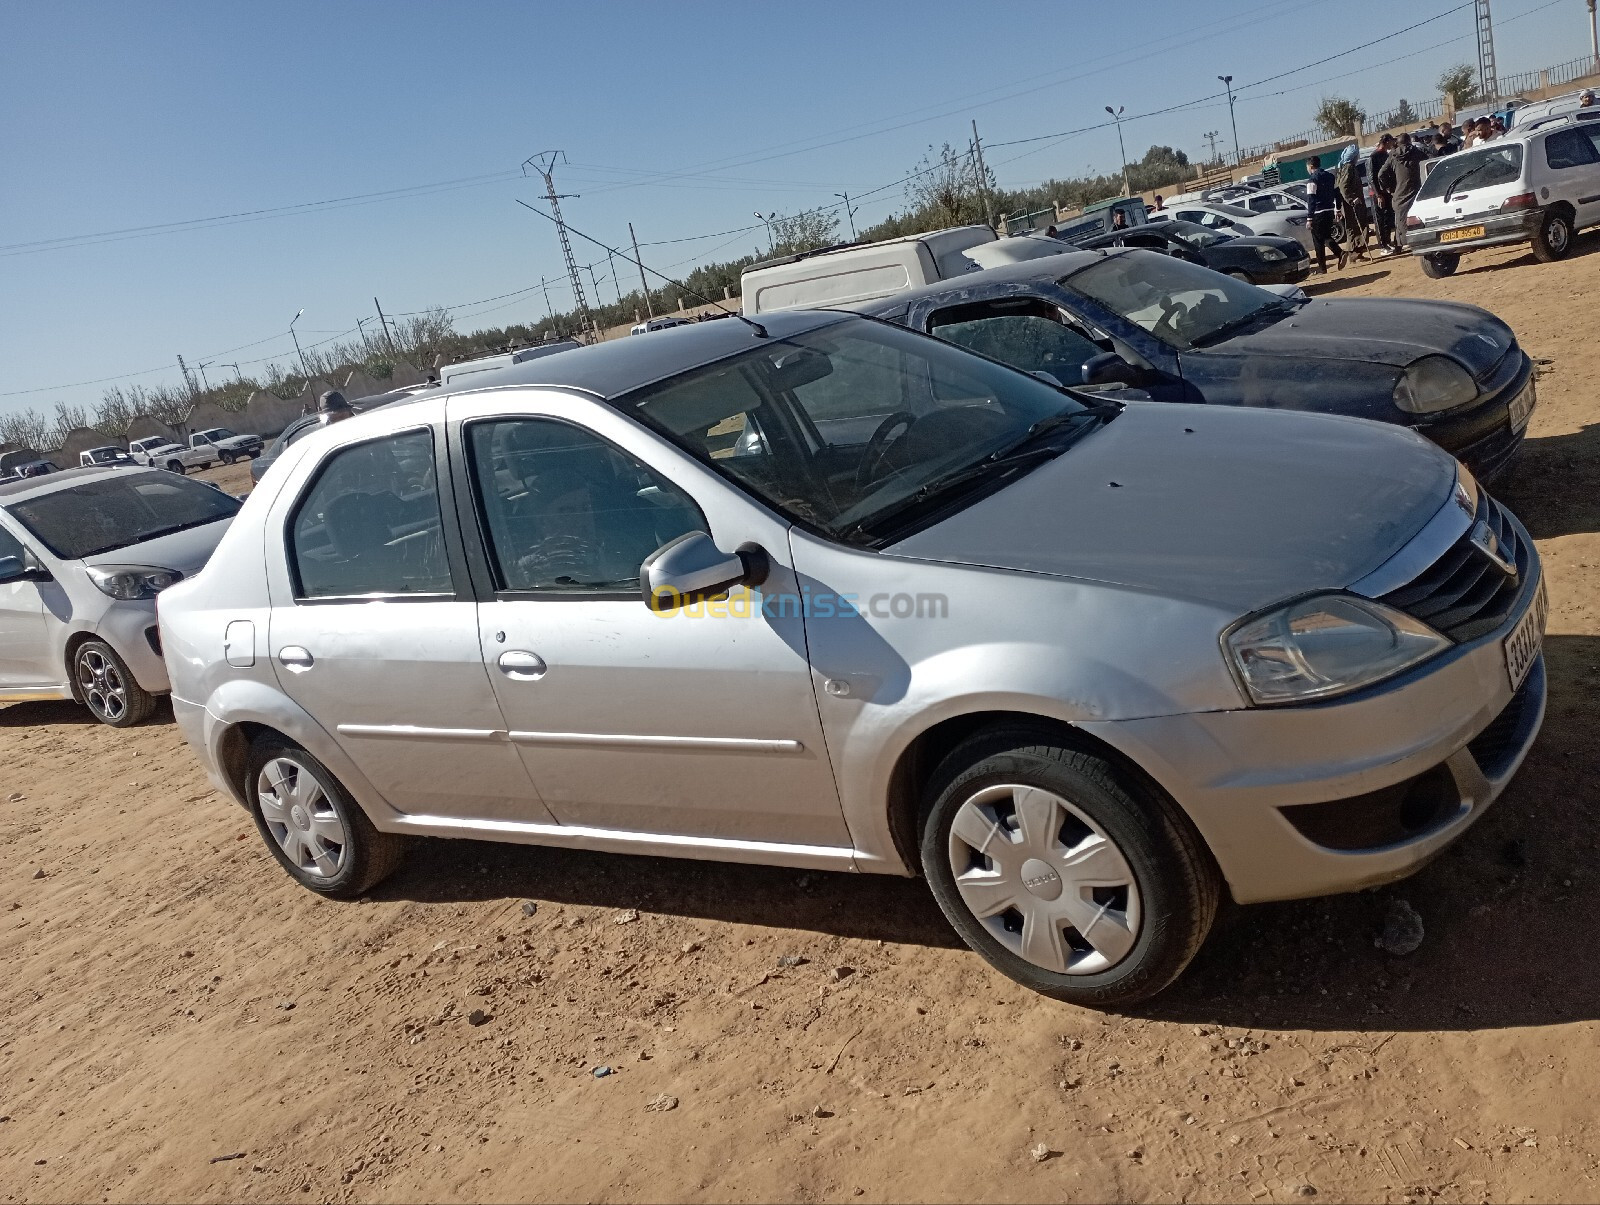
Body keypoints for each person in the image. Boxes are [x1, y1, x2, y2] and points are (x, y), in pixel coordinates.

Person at [1383, 133, 1428, 249]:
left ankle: (1401, 243)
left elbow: (1381, 174)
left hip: (1399, 192)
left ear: (1398, 143)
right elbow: (1428, 163)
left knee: (1400, 218)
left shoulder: (1393, 155)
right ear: (1409, 141)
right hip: (1417, 190)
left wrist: (1389, 187)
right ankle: (1418, 239)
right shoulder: (1417, 153)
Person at [1304, 155, 1346, 272]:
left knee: (1319, 240)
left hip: (1318, 213)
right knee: (1326, 235)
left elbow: (1311, 199)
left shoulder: (1312, 180)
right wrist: (1337, 209)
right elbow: (1338, 194)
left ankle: (1332, 259)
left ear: (1311, 166)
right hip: (1329, 212)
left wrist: (1309, 218)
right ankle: (1326, 265)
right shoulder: (1331, 177)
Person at [1335, 144, 1371, 260]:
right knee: (1355, 227)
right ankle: (1354, 253)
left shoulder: (1349, 167)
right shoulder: (1348, 168)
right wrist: (1352, 199)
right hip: (1352, 205)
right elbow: (1343, 186)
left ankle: (1358, 253)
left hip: (1355, 203)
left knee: (1358, 227)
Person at [1369, 133, 1397, 252]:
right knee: (1380, 220)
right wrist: (1378, 194)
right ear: (1386, 142)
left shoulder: (1386, 154)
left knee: (1387, 218)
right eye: (1391, 142)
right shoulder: (1373, 157)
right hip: (1377, 194)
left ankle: (1388, 242)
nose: (1392, 144)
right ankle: (1382, 246)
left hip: (1386, 191)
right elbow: (1371, 178)